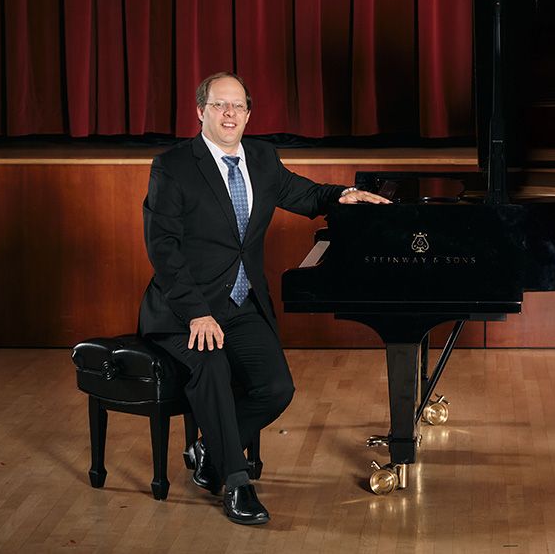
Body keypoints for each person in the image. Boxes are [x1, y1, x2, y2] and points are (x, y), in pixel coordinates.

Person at [138, 71, 389, 525]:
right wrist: (196, 313)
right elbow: (163, 248)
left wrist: (344, 195)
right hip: (184, 310)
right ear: (200, 112)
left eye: (238, 105)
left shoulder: (261, 157)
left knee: (277, 388)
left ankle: (208, 450)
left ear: (249, 113)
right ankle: (235, 483)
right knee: (212, 367)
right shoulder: (173, 166)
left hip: (240, 302)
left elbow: (304, 193)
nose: (229, 113)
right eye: (219, 105)